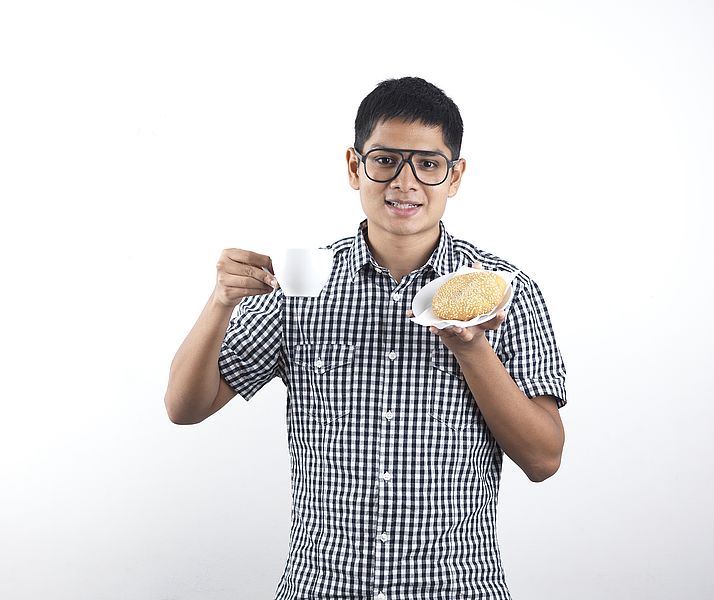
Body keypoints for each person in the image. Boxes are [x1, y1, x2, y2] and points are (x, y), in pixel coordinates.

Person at [164, 76, 567, 600]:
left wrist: (472, 349)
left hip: (455, 588)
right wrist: (220, 302)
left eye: (428, 163)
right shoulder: (301, 285)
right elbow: (184, 406)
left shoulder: (502, 292)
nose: (405, 182)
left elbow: (544, 460)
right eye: (385, 160)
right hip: (321, 587)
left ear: (456, 175)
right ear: (355, 166)